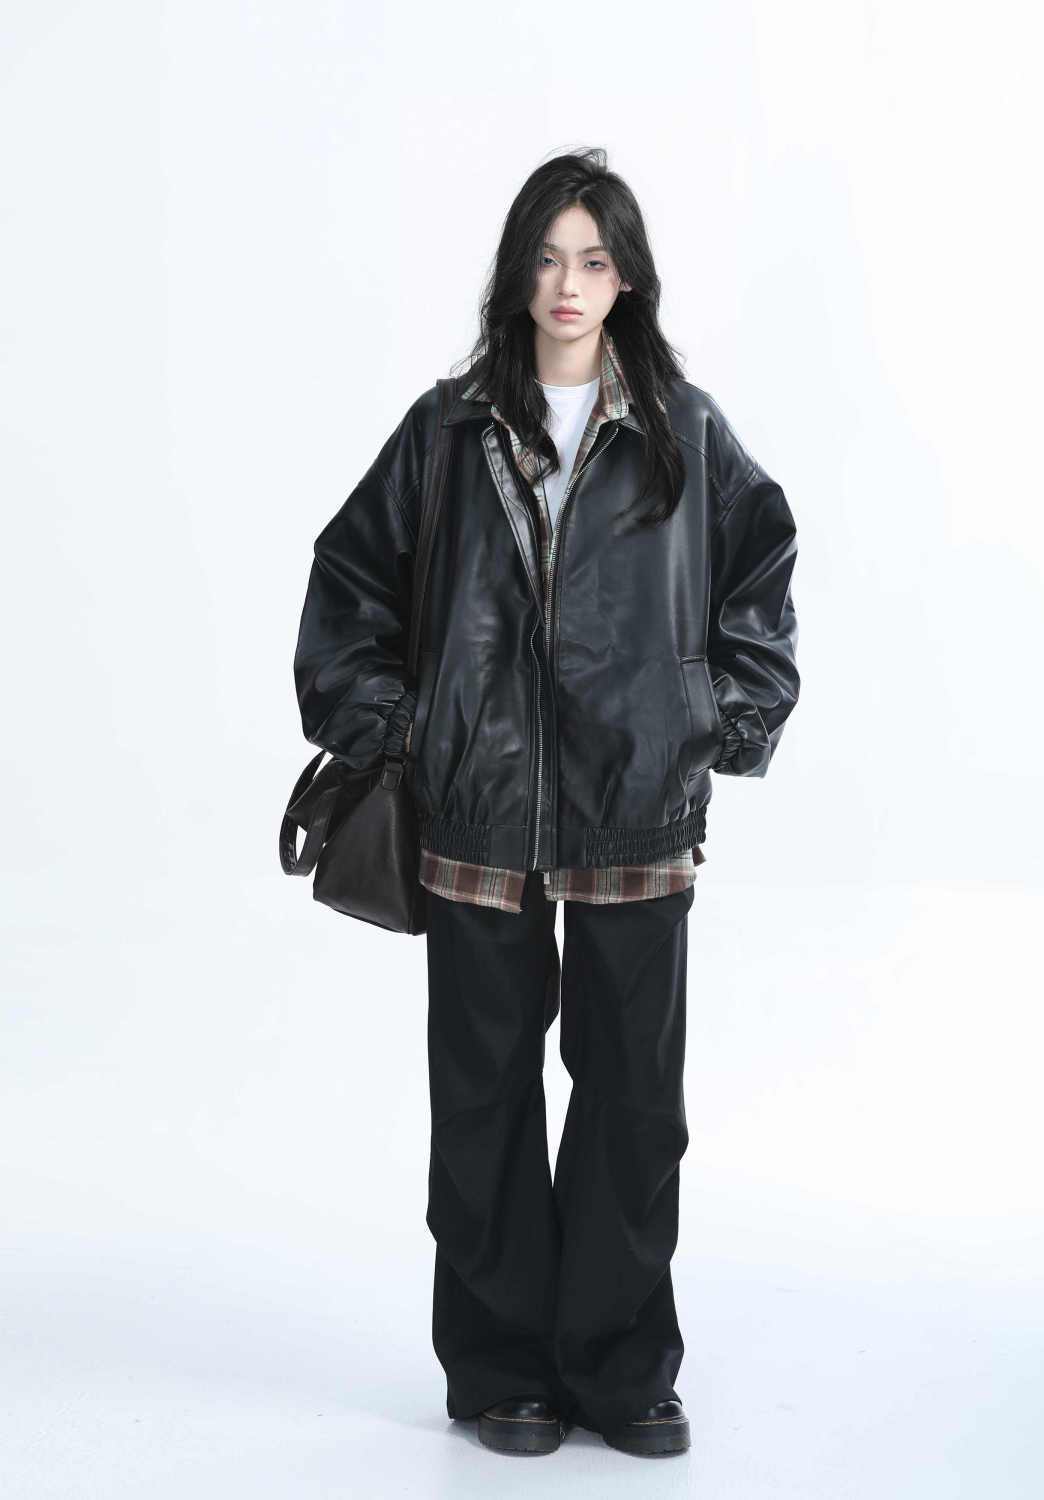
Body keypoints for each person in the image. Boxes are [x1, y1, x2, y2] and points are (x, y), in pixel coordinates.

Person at [292, 148, 800, 1458]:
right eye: (547, 256)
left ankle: (620, 1367)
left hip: (636, 817)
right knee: (482, 1103)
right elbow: (348, 583)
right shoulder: (446, 429)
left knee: (634, 1106)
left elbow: (761, 568)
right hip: (474, 819)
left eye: (593, 259)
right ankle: (502, 1368)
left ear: (627, 279)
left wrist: (712, 717)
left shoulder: (684, 429)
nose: (568, 284)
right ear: (516, 271)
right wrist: (405, 727)